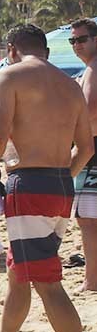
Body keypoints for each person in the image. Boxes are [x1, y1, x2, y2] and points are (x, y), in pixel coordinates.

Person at [0, 24, 93, 332]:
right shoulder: (71, 85)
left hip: (30, 185)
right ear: (46, 51)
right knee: (19, 273)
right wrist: (60, 178)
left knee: (48, 283)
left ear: (11, 50)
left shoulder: (10, 76)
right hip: (61, 185)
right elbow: (86, 148)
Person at [71, 18, 97, 292]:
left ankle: (91, 281)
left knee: (88, 219)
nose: (76, 45)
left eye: (81, 39)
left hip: (92, 148)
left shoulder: (93, 68)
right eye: (73, 40)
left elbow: (89, 112)